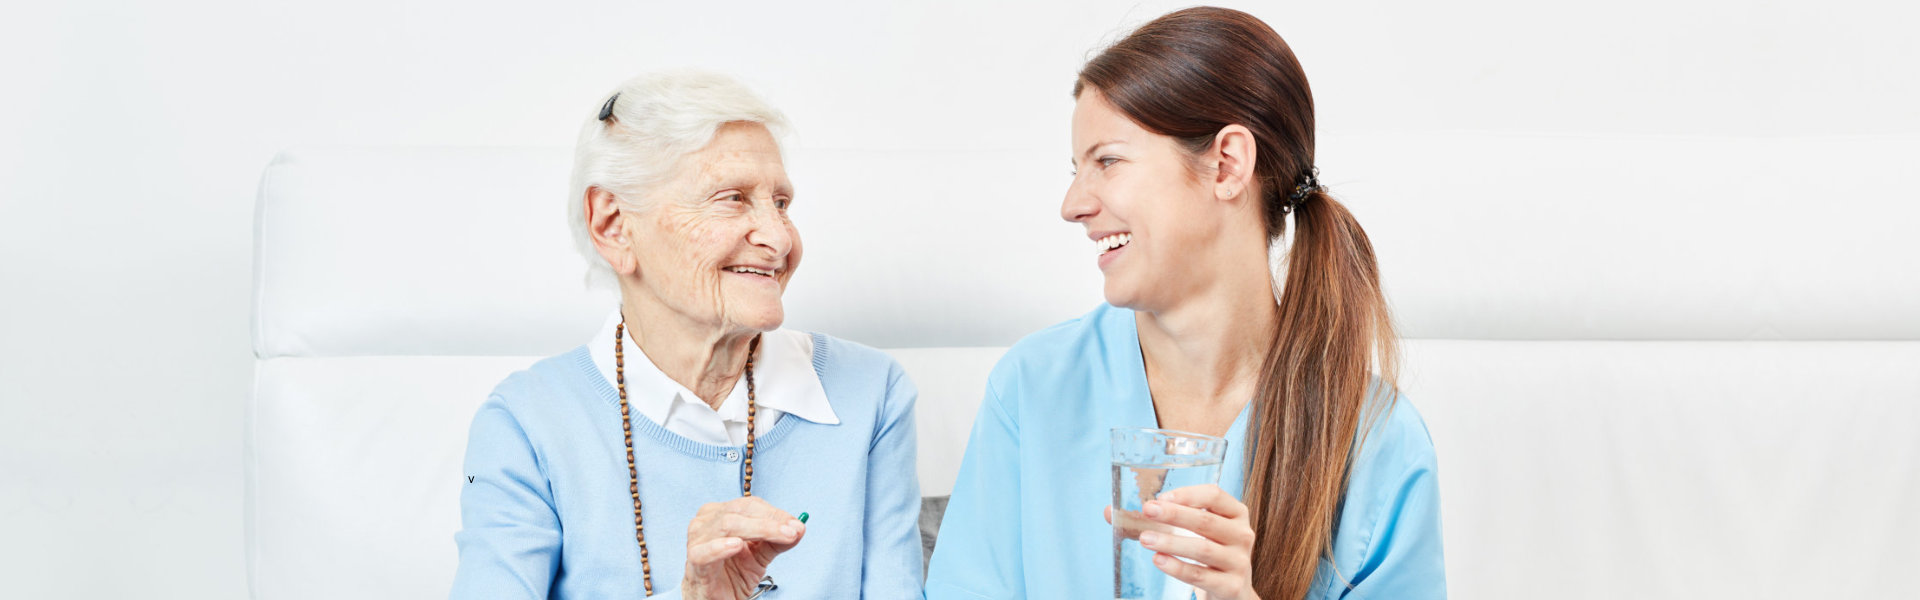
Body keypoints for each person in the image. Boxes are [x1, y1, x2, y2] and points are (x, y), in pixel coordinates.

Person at [924, 7, 1445, 599]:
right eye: (1077, 170)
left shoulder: (1375, 441)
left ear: (1227, 164)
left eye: (1108, 161)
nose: (1072, 204)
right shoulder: (1034, 389)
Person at [451, 70, 923, 599]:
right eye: (732, 198)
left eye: (782, 203)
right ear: (612, 224)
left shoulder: (871, 393)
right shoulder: (525, 422)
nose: (779, 237)